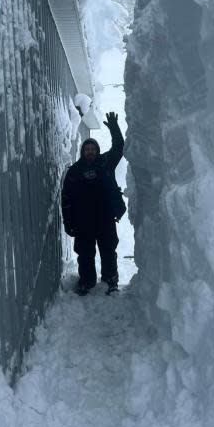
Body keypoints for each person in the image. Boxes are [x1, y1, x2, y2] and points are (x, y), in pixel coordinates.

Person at [61, 112, 127, 295]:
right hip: (83, 222)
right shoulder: (75, 171)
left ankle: (110, 281)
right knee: (85, 254)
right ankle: (87, 282)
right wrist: (68, 223)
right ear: (83, 152)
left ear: (97, 151)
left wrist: (114, 128)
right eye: (87, 149)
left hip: (105, 218)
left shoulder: (105, 163)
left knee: (108, 251)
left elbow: (119, 147)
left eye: (93, 149)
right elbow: (66, 199)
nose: (90, 152)